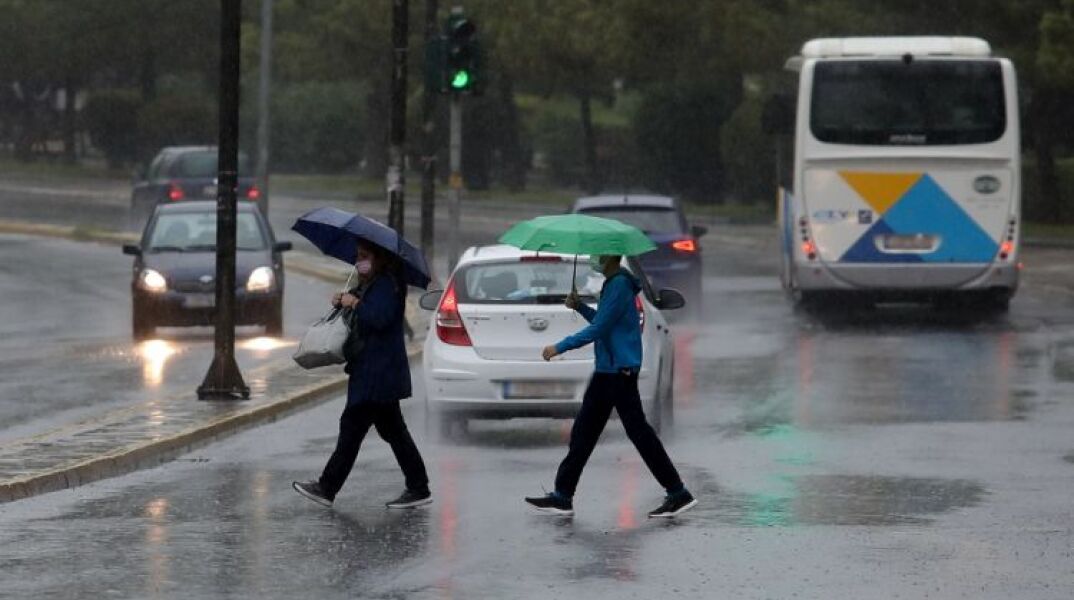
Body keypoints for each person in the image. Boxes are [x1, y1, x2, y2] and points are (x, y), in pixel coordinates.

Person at [525, 254, 697, 518]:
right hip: (607, 371)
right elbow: (604, 320)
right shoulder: (613, 283)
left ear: (610, 257)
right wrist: (580, 306)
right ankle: (563, 495)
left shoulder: (619, 285)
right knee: (583, 433)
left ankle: (677, 492)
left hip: (619, 372)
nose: (595, 258)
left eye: (599, 255)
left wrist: (559, 347)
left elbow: (599, 328)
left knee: (639, 434)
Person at [293, 240, 431, 509]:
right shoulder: (372, 283)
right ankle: (419, 486)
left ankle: (327, 487)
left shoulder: (388, 284)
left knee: (352, 430)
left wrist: (354, 303)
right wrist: (343, 300)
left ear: (380, 258)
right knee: (394, 433)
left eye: (365, 256)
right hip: (374, 373)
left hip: (377, 374)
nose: (360, 261)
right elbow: (360, 308)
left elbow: (378, 318)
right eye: (358, 256)